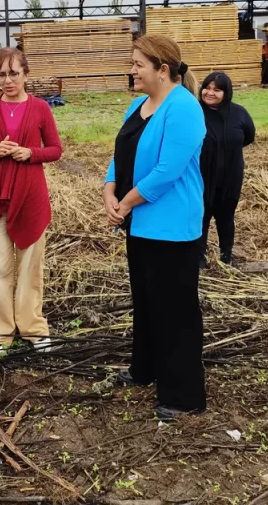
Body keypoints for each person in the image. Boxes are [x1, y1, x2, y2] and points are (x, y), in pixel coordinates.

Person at [102, 35, 207, 421]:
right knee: (146, 303)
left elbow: (167, 171)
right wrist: (109, 192)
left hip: (172, 227)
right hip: (141, 224)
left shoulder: (184, 108)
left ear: (162, 70)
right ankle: (144, 369)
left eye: (138, 64)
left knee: (175, 311)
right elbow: (122, 154)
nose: (132, 70)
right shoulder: (138, 105)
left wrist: (125, 203)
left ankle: (183, 394)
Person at [0, 47, 63, 359]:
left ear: (26, 75)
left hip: (30, 198)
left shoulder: (40, 109)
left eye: (14, 73)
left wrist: (30, 153)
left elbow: (56, 149)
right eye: (2, 74)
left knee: (30, 270)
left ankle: (33, 328)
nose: (8, 80)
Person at [197, 71, 255, 268]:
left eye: (217, 89)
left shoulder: (239, 113)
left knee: (226, 217)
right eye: (207, 87)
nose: (210, 93)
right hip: (201, 177)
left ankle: (226, 256)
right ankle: (199, 258)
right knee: (201, 216)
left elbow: (248, 136)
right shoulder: (195, 112)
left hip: (230, 176)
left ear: (227, 92)